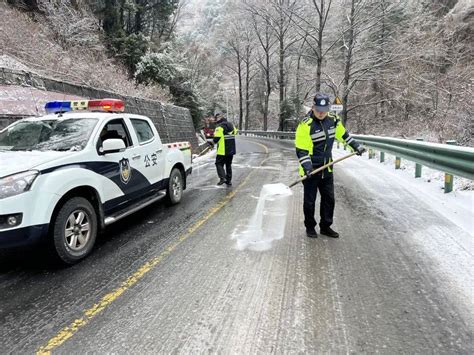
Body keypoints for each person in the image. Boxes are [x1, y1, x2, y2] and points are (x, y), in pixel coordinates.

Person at [295, 93, 366, 238]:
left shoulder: (333, 120)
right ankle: (310, 227)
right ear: (313, 107)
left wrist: (356, 146)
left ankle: (325, 226)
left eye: (324, 109)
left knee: (329, 200)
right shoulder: (305, 125)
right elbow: (301, 150)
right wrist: (308, 167)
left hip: (327, 168)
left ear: (328, 108)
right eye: (318, 109)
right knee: (310, 202)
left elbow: (343, 135)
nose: (321, 112)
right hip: (311, 170)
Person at [212, 112, 238, 186]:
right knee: (228, 165)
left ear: (219, 119)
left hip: (222, 150)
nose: (216, 120)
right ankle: (228, 181)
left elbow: (216, 139)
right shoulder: (232, 126)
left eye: (216, 118)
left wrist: (212, 143)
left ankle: (223, 178)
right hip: (231, 150)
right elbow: (235, 132)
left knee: (218, 163)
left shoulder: (219, 127)